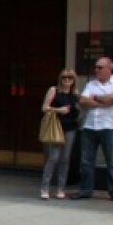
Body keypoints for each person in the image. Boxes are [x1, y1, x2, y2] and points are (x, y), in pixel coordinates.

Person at [70, 57, 113, 203]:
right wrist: (102, 100)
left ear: (109, 68)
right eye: (96, 67)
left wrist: (94, 98)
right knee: (86, 161)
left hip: (109, 127)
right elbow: (82, 101)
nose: (96, 70)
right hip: (90, 126)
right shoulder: (91, 84)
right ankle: (85, 190)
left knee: (112, 162)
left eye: (100, 67)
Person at [40, 68, 80, 200]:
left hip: (71, 128)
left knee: (65, 159)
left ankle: (60, 189)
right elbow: (45, 107)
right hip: (56, 127)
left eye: (70, 78)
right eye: (64, 78)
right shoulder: (54, 90)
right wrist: (58, 110)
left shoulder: (75, 94)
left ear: (74, 80)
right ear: (60, 79)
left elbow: (79, 109)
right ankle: (45, 187)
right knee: (53, 157)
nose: (67, 80)